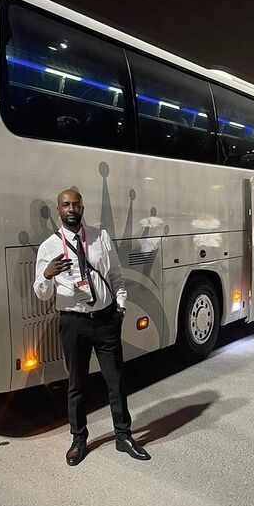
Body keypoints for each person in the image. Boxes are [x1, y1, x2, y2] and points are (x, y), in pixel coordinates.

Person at [33, 189, 151, 466]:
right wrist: (48, 275)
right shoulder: (49, 246)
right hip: (73, 323)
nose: (71, 208)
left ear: (82, 207)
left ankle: (123, 436)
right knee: (77, 385)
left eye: (75, 204)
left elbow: (116, 276)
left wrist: (120, 308)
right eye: (65, 204)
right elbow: (40, 293)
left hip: (106, 320)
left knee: (116, 380)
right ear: (58, 210)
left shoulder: (101, 237)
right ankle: (78, 439)